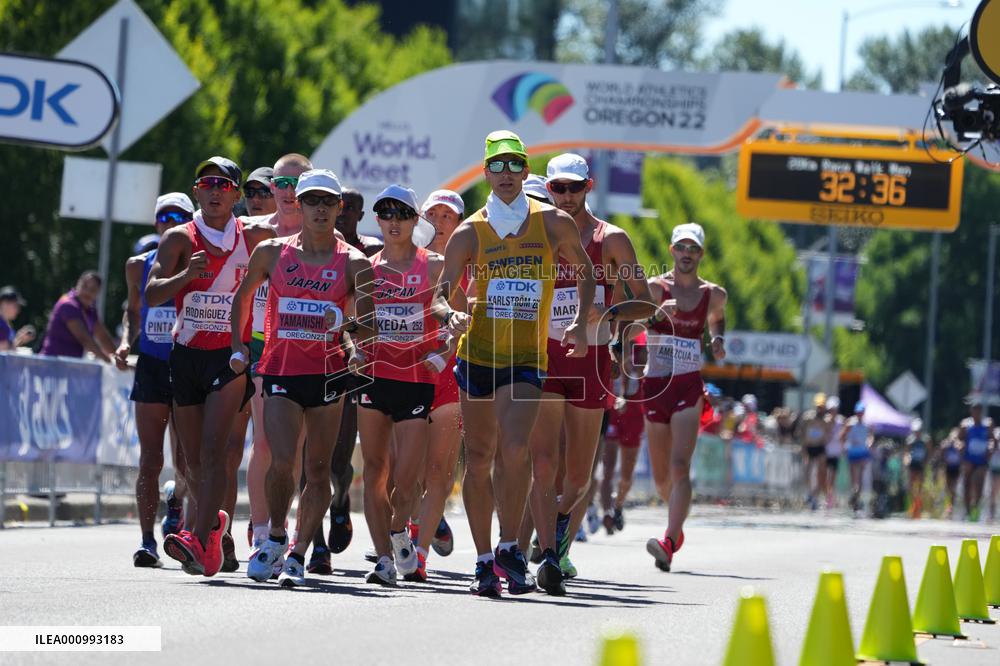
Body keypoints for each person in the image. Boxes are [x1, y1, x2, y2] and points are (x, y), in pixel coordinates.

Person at [430, 130, 595, 597]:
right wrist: (452, 313)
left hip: (526, 357)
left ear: (525, 170)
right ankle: (484, 559)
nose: (505, 174)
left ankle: (510, 546)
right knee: (479, 458)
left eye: (513, 165)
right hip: (479, 353)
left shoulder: (553, 222)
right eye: (496, 166)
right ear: (486, 172)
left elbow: (584, 270)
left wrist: (582, 322)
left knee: (516, 447)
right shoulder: (470, 231)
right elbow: (442, 292)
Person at [232, 168, 372, 587]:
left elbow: (370, 323)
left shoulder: (354, 261)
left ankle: (298, 552)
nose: (320, 209)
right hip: (281, 368)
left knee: (318, 469)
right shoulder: (272, 252)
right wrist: (237, 348)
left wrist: (349, 333)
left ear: (338, 208)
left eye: (328, 202)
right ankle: (275, 536)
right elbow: (241, 300)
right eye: (312, 201)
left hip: (328, 375)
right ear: (300, 204)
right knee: (281, 460)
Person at [526, 152, 654, 593]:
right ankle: (545, 553)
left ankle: (559, 536)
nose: (563, 197)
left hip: (592, 360)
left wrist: (609, 315)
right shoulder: (536, 233)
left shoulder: (611, 239)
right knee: (543, 462)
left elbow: (645, 301)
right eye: (556, 188)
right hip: (543, 356)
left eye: (572, 188)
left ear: (588, 187)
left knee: (578, 476)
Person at [148, 156, 274, 577]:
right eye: (208, 184)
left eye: (224, 185)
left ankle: (197, 537)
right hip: (185, 355)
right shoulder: (179, 239)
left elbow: (297, 226)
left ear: (237, 195)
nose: (216, 191)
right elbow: (151, 293)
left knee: (213, 450)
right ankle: (215, 531)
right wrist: (185, 276)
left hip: (231, 355)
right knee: (189, 462)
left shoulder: (253, 236)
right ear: (197, 191)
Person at [351, 185, 444, 586]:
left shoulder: (435, 265)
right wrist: (353, 349)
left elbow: (450, 313)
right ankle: (385, 559)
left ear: (415, 219)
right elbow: (351, 324)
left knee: (406, 480)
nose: (393, 221)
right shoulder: (365, 267)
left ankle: (397, 528)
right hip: (375, 375)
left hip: (416, 379)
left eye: (402, 214)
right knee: (374, 472)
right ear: (378, 219)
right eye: (386, 213)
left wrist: (444, 350)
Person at [114, 192, 194, 567]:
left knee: (184, 460)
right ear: (155, 223)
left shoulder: (200, 263)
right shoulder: (137, 265)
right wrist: (125, 342)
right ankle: (147, 541)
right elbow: (133, 311)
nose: (171, 223)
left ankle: (176, 502)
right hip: (151, 364)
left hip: (187, 363)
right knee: (149, 458)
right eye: (165, 217)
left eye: (180, 217)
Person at [642, 222, 727, 572]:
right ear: (672, 250)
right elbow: (634, 323)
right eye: (682, 247)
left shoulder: (714, 294)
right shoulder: (655, 288)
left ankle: (669, 539)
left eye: (693, 249)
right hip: (655, 384)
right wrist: (659, 314)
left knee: (680, 467)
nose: (687, 254)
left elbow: (717, 320)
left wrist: (718, 339)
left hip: (688, 384)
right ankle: (677, 526)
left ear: (701, 254)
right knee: (662, 477)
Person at [307, 187, 383, 573]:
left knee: (338, 458)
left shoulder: (368, 253)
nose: (342, 215)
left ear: (358, 212)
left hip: (354, 363)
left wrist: (356, 342)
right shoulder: (311, 249)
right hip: (311, 358)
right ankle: (316, 545)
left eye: (350, 209)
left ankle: (339, 501)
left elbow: (370, 313)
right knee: (311, 461)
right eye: (340, 208)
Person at [241, 154, 312, 569]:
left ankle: (285, 530)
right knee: (263, 442)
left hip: (305, 347)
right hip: (261, 345)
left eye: (295, 184)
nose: (287, 192)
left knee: (295, 448)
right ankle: (261, 530)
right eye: (281, 183)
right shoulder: (253, 234)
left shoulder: (321, 236)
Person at [407, 189, 469, 579]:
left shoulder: (471, 264)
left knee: (439, 471)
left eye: (449, 216)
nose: (441, 222)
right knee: (402, 468)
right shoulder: (403, 259)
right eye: (435, 214)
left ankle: (420, 551)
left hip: (449, 374)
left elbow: (469, 318)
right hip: (405, 369)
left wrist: (445, 352)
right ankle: (409, 526)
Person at [600, 330, 647, 535]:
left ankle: (618, 505)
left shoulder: (641, 338)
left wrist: (629, 363)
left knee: (626, 473)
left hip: (634, 412)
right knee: (608, 467)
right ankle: (607, 511)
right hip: (612, 409)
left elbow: (644, 368)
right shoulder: (609, 333)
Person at [39, 271, 117, 361]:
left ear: (98, 292)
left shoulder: (90, 310)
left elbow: (103, 337)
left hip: (69, 366)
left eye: (92, 290)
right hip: (51, 363)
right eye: (84, 286)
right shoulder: (67, 304)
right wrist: (109, 361)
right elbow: (85, 339)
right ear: (77, 284)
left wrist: (119, 359)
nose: (87, 292)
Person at [959, 402, 994, 521]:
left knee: (978, 482)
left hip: (982, 460)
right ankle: (968, 510)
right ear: (971, 411)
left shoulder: (988, 424)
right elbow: (958, 440)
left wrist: (990, 449)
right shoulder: (965, 425)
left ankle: (976, 506)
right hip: (969, 459)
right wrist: (961, 449)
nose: (976, 413)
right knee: (967, 484)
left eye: (979, 410)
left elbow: (993, 440)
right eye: (974, 410)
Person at [840, 401, 872, 513]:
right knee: (854, 476)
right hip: (853, 451)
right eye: (858, 412)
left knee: (861, 475)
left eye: (862, 412)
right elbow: (842, 436)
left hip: (862, 451)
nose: (860, 414)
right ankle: (855, 494)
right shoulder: (850, 423)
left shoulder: (866, 425)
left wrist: (869, 443)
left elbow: (870, 436)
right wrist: (844, 446)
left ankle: (857, 496)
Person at [799, 393, 828, 511]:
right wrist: (804, 448)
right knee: (808, 471)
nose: (820, 409)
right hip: (810, 447)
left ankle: (815, 496)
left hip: (820, 447)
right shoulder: (808, 417)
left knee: (820, 473)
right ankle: (810, 493)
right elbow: (802, 433)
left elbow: (827, 434)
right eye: (818, 407)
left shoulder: (826, 420)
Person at [904, 418, 930, 518]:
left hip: (921, 465)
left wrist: (926, 462)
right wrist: (906, 461)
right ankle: (913, 505)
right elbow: (906, 453)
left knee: (920, 486)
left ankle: (918, 507)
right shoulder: (910, 441)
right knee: (911, 486)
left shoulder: (925, 440)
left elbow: (929, 453)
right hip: (913, 464)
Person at [823, 396, 844, 508]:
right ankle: (828, 496)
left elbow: (843, 436)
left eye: (834, 410)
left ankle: (831, 496)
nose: (833, 412)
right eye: (831, 410)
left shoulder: (841, 421)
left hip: (836, 452)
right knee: (826, 476)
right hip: (826, 452)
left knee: (833, 476)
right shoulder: (826, 421)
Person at [0, 286, 34, 351]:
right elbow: (3, 352)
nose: (18, 310)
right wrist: (19, 339)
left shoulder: (5, 323)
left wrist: (19, 338)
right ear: (4, 304)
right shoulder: (1, 326)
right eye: (15, 305)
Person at [939, 428, 963, 517]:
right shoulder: (947, 445)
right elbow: (941, 455)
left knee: (953, 488)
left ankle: (951, 507)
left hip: (956, 469)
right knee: (948, 488)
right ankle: (947, 506)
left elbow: (962, 454)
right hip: (948, 468)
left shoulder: (959, 445)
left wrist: (958, 446)